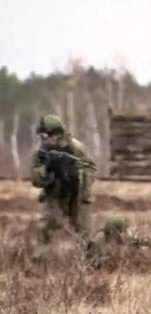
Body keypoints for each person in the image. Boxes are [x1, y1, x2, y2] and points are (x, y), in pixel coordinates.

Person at [30, 114, 98, 267]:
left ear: (57, 134)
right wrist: (47, 168)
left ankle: (93, 265)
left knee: (84, 232)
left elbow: (91, 170)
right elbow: (36, 180)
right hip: (54, 194)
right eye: (41, 136)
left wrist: (73, 172)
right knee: (45, 230)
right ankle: (37, 267)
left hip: (77, 194)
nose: (43, 139)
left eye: (45, 135)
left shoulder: (75, 148)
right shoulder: (40, 154)